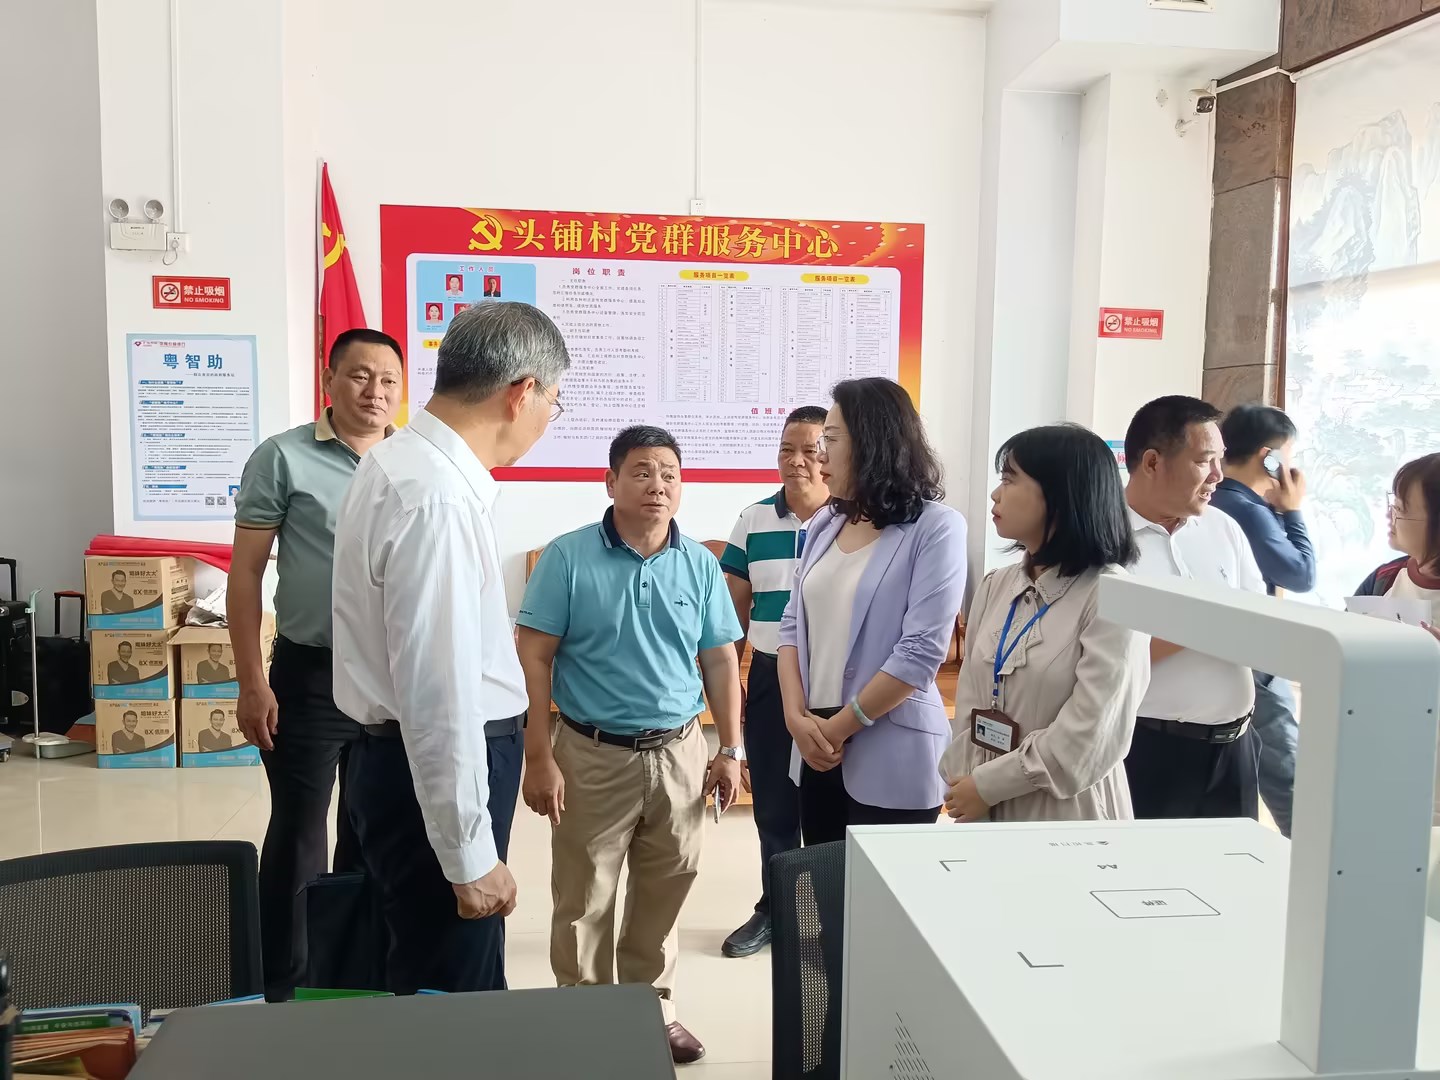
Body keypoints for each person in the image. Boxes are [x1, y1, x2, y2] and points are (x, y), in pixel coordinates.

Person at [332, 302, 569, 996]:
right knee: (452, 999)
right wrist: (468, 857)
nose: (548, 419)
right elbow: (439, 694)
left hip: (395, 765)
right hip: (429, 777)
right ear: (521, 392)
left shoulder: (399, 463)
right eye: (554, 403)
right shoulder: (436, 498)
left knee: (401, 975)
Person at [517, 425, 744, 1065]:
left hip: (680, 752)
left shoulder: (699, 563)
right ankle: (585, 1015)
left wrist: (731, 749)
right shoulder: (567, 557)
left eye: (669, 473)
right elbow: (534, 657)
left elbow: (720, 660)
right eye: (642, 471)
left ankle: (653, 1007)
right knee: (584, 895)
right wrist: (539, 755)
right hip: (591, 752)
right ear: (611, 481)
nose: (657, 485)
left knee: (667, 885)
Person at [230, 326, 404, 1001]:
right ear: (329, 380)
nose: (374, 391)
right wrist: (252, 682)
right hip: (311, 675)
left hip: (391, 677)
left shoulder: (410, 462)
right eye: (360, 375)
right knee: (301, 830)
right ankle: (283, 985)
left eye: (388, 380)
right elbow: (246, 574)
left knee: (371, 829)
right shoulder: (284, 457)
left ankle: (353, 979)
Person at [779, 377, 967, 844]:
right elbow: (791, 626)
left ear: (872, 444)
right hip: (814, 743)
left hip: (889, 750)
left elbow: (920, 652)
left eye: (831, 439)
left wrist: (839, 728)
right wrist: (795, 718)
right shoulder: (825, 523)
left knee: (879, 892)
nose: (819, 455)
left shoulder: (936, 528)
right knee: (819, 885)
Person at [939, 424, 1149, 823]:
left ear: (1060, 494)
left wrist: (989, 785)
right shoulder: (997, 584)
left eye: (1009, 479)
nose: (995, 494)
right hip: (982, 803)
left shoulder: (1115, 597)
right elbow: (970, 700)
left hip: (1066, 811)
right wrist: (966, 780)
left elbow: (1090, 736)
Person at [1122, 396, 1267, 820]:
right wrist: (1206, 623)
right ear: (1152, 462)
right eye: (1205, 461)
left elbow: (1259, 621)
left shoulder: (1223, 528)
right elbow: (1102, 654)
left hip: (1235, 747)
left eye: (1220, 460)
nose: (1219, 475)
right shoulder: (1101, 539)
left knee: (1235, 862)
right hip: (1147, 749)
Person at [719, 406, 829, 959]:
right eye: (787, 449)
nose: (796, 460)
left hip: (831, 683)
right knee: (773, 805)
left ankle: (828, 915)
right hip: (767, 676)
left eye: (811, 449)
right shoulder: (754, 520)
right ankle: (777, 909)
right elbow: (731, 619)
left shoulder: (856, 519)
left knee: (829, 805)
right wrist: (731, 695)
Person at [1210, 404, 1315, 838]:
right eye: (1287, 456)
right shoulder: (1247, 509)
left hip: (1222, 655)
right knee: (1288, 780)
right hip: (1257, 664)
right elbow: (1301, 574)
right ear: (1268, 456)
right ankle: (1316, 865)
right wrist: (1293, 510)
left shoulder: (1216, 501)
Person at [1356, 453, 1440, 619]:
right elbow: (1341, 631)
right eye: (1393, 506)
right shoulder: (1385, 577)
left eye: (1400, 509)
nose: (1389, 515)